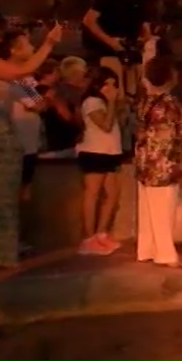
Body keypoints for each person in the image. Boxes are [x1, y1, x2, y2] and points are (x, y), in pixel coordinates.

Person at [0, 21, 62, 268]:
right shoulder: (8, 72)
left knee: (12, 198)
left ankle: (9, 249)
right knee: (3, 198)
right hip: (2, 140)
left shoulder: (20, 76)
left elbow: (38, 101)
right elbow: (34, 98)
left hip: (15, 142)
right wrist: (50, 42)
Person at [135, 55, 182, 267]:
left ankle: (147, 249)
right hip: (163, 163)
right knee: (162, 210)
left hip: (145, 161)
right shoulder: (168, 104)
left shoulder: (145, 101)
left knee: (148, 210)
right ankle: (165, 254)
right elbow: (170, 136)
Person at [81, 0, 154, 97]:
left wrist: (145, 39)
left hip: (128, 46)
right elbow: (89, 20)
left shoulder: (141, 1)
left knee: (135, 81)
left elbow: (145, 27)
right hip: (106, 47)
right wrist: (109, 41)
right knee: (115, 80)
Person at [76, 67, 127, 256]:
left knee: (112, 194)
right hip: (93, 152)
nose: (111, 88)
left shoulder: (105, 103)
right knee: (92, 193)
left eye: (114, 84)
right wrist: (112, 101)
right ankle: (88, 239)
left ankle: (101, 233)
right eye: (108, 83)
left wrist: (117, 105)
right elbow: (104, 125)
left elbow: (115, 124)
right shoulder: (92, 102)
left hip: (110, 152)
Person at [0, 30, 48, 206]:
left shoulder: (25, 79)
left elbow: (39, 103)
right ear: (14, 50)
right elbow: (37, 104)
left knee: (25, 194)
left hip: (29, 146)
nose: (32, 47)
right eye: (27, 44)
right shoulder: (10, 79)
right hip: (16, 146)